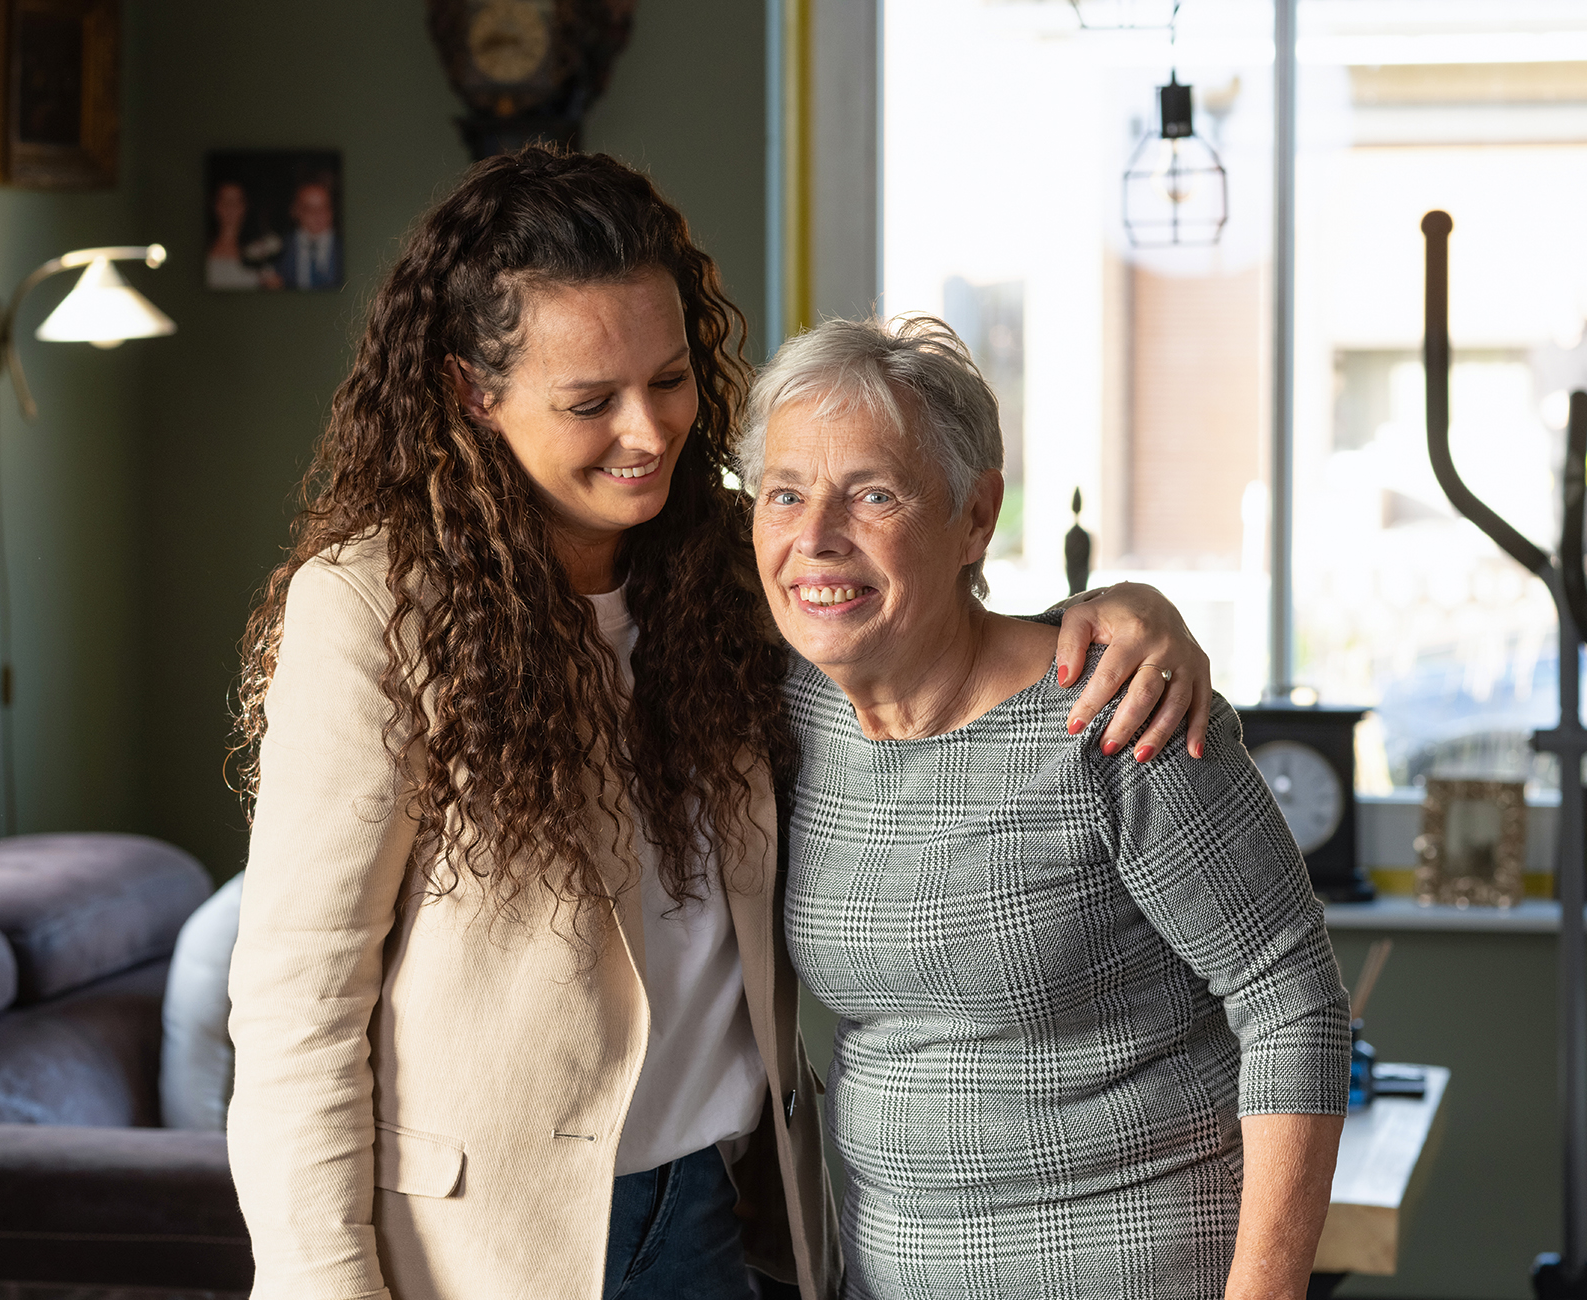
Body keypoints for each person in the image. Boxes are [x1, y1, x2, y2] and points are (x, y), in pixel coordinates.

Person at [225, 147, 1213, 1300]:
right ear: (468, 392)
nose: (647, 434)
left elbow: (930, 631)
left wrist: (1117, 617)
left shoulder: (738, 568)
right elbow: (299, 997)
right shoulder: (371, 606)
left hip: (709, 1212)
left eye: (670, 379)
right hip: (474, 1247)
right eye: (589, 402)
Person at [744, 316, 1350, 1300]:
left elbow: (1294, 1002)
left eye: (871, 493)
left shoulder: (1116, 714)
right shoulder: (790, 704)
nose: (814, 536)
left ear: (973, 517)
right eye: (783, 492)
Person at [271, 176, 339, 290]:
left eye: (324, 207)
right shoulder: (280, 248)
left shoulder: (344, 247)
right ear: (295, 211)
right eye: (309, 208)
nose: (317, 214)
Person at [205, 180, 265, 291]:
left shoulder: (259, 249)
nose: (230, 207)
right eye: (225, 201)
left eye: (236, 202)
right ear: (216, 206)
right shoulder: (202, 247)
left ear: (244, 207)